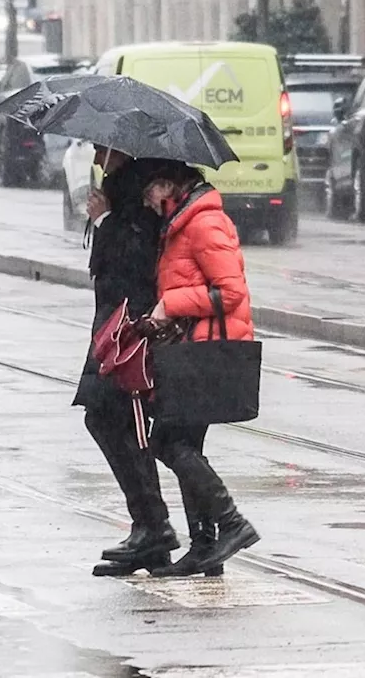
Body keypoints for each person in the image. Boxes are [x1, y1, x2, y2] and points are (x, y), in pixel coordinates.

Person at [141, 162, 260, 576]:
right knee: (181, 443)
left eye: (150, 192)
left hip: (207, 350)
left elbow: (230, 291)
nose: (147, 203)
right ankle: (206, 546)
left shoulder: (203, 222)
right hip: (193, 346)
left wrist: (169, 305)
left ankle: (230, 524)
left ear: (169, 184)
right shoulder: (181, 221)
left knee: (169, 442)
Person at [73, 147, 180, 577]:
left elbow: (136, 261)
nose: (98, 155)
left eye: (104, 148)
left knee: (121, 422)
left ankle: (153, 527)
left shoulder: (137, 192)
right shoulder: (123, 188)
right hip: (112, 325)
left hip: (130, 328)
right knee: (107, 420)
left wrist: (104, 219)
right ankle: (148, 530)